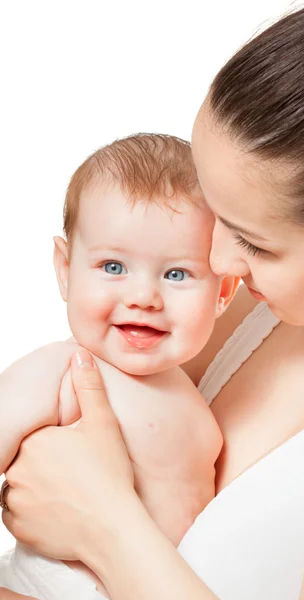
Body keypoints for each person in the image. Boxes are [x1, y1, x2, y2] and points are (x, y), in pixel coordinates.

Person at [2, 0, 304, 598]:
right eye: (215, 212)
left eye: (257, 245)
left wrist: (103, 526)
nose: (215, 264)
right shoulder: (255, 306)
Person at [0, 133, 238, 598]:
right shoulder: (61, 369)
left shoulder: (199, 395)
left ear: (223, 294)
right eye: (113, 267)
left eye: (176, 275)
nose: (143, 297)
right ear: (65, 270)